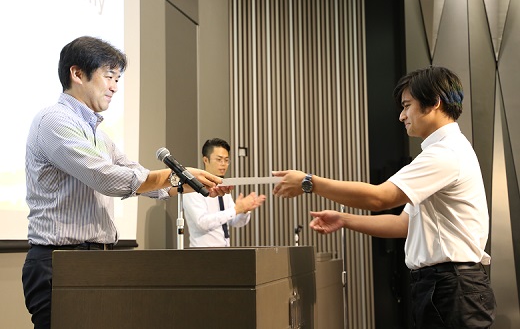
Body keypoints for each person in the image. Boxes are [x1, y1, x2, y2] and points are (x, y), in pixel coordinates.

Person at [22, 36, 230, 329]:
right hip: (60, 263)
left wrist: (183, 183)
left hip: (95, 261)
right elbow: (105, 178)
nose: (115, 87)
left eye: (117, 79)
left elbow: (135, 172)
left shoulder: (97, 133)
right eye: (109, 76)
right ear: (77, 74)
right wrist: (174, 175)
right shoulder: (54, 121)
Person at [272, 66, 496, 328]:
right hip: (444, 285)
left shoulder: (445, 153)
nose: (402, 116)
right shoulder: (443, 152)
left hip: (452, 286)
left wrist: (309, 182)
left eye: (407, 105)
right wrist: (344, 219)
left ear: (434, 102)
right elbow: (403, 225)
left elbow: (380, 197)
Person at [182, 138, 266, 247]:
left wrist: (244, 210)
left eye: (226, 160)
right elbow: (202, 223)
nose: (223, 164)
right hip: (203, 253)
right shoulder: (193, 189)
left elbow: (234, 222)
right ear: (205, 160)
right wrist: (236, 210)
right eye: (219, 159)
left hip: (225, 250)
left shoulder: (223, 186)